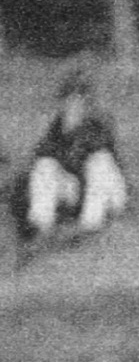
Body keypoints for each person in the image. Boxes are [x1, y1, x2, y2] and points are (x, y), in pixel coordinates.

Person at [22, 68, 128, 240]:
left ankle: (91, 227)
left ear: (88, 103)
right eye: (68, 100)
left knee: (100, 161)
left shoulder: (100, 123)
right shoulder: (57, 127)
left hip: (107, 194)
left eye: (79, 100)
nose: (73, 105)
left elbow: (98, 151)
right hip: (78, 190)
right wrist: (64, 131)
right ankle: (42, 226)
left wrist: (75, 130)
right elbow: (42, 156)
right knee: (45, 165)